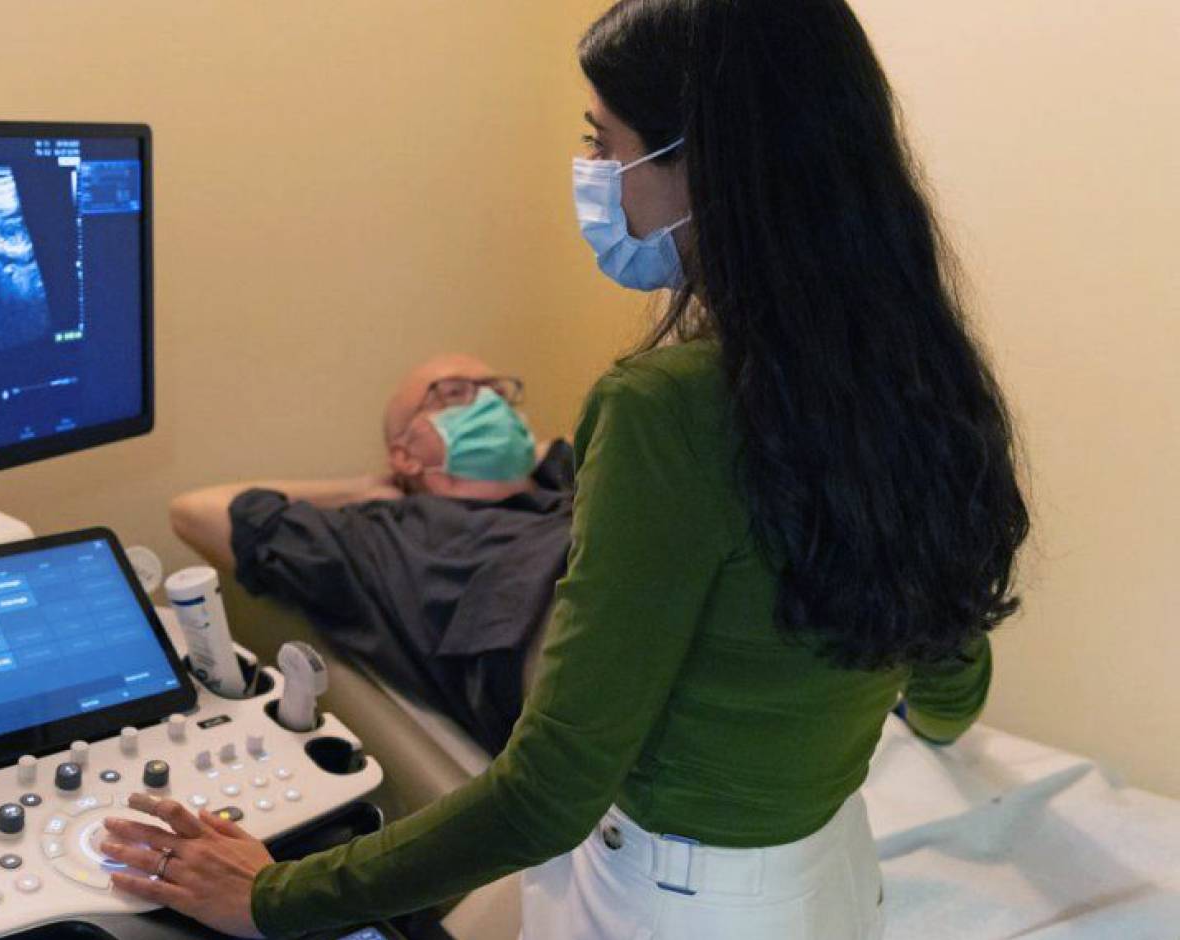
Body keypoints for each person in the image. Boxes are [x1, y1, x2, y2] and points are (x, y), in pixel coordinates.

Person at [102, 0, 1030, 937]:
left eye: (604, 142)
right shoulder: (913, 370)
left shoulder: (666, 408)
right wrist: (944, 727)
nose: (594, 176)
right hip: (827, 879)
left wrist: (272, 898)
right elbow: (947, 639)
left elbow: (551, 790)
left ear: (703, 160)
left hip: (682, 904)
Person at [168, 352, 575, 753]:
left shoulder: (567, 481)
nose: (491, 406)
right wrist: (361, 489)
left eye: (498, 394)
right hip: (567, 640)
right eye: (455, 394)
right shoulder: (379, 536)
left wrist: (531, 459)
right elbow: (194, 512)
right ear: (404, 454)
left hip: (614, 577)